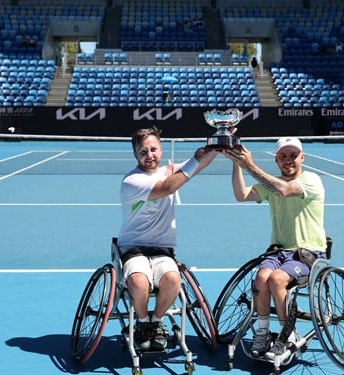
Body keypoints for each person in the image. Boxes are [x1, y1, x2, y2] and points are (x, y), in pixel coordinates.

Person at [222, 137, 326, 361]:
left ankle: (287, 336)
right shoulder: (272, 184)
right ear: (277, 160)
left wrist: (249, 165)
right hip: (279, 252)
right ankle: (262, 331)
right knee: (261, 278)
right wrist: (236, 164)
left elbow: (285, 190)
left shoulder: (311, 180)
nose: (289, 160)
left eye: (293, 155)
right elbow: (241, 195)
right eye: (283, 156)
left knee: (277, 280)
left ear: (302, 158)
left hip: (308, 253)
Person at [118, 127, 216, 352]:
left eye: (153, 149)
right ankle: (142, 322)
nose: (149, 155)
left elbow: (200, 164)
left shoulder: (168, 170)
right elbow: (167, 187)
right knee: (139, 282)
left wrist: (218, 143)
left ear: (161, 151)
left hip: (162, 249)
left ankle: (156, 321)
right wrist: (196, 159)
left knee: (173, 281)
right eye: (143, 151)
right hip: (134, 248)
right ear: (135, 155)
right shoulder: (132, 181)